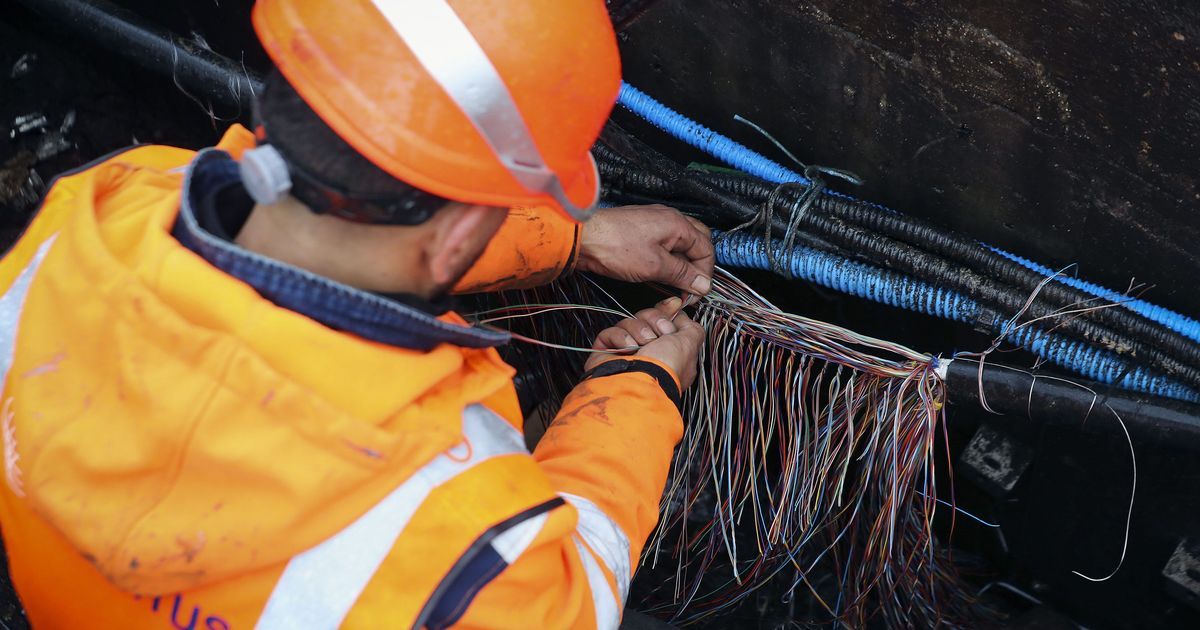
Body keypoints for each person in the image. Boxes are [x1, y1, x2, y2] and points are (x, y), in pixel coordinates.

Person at [0, 0, 712, 628]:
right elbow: (577, 603)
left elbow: (346, 227)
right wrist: (635, 394)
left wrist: (578, 242)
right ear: (462, 236)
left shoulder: (97, 213)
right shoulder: (455, 538)